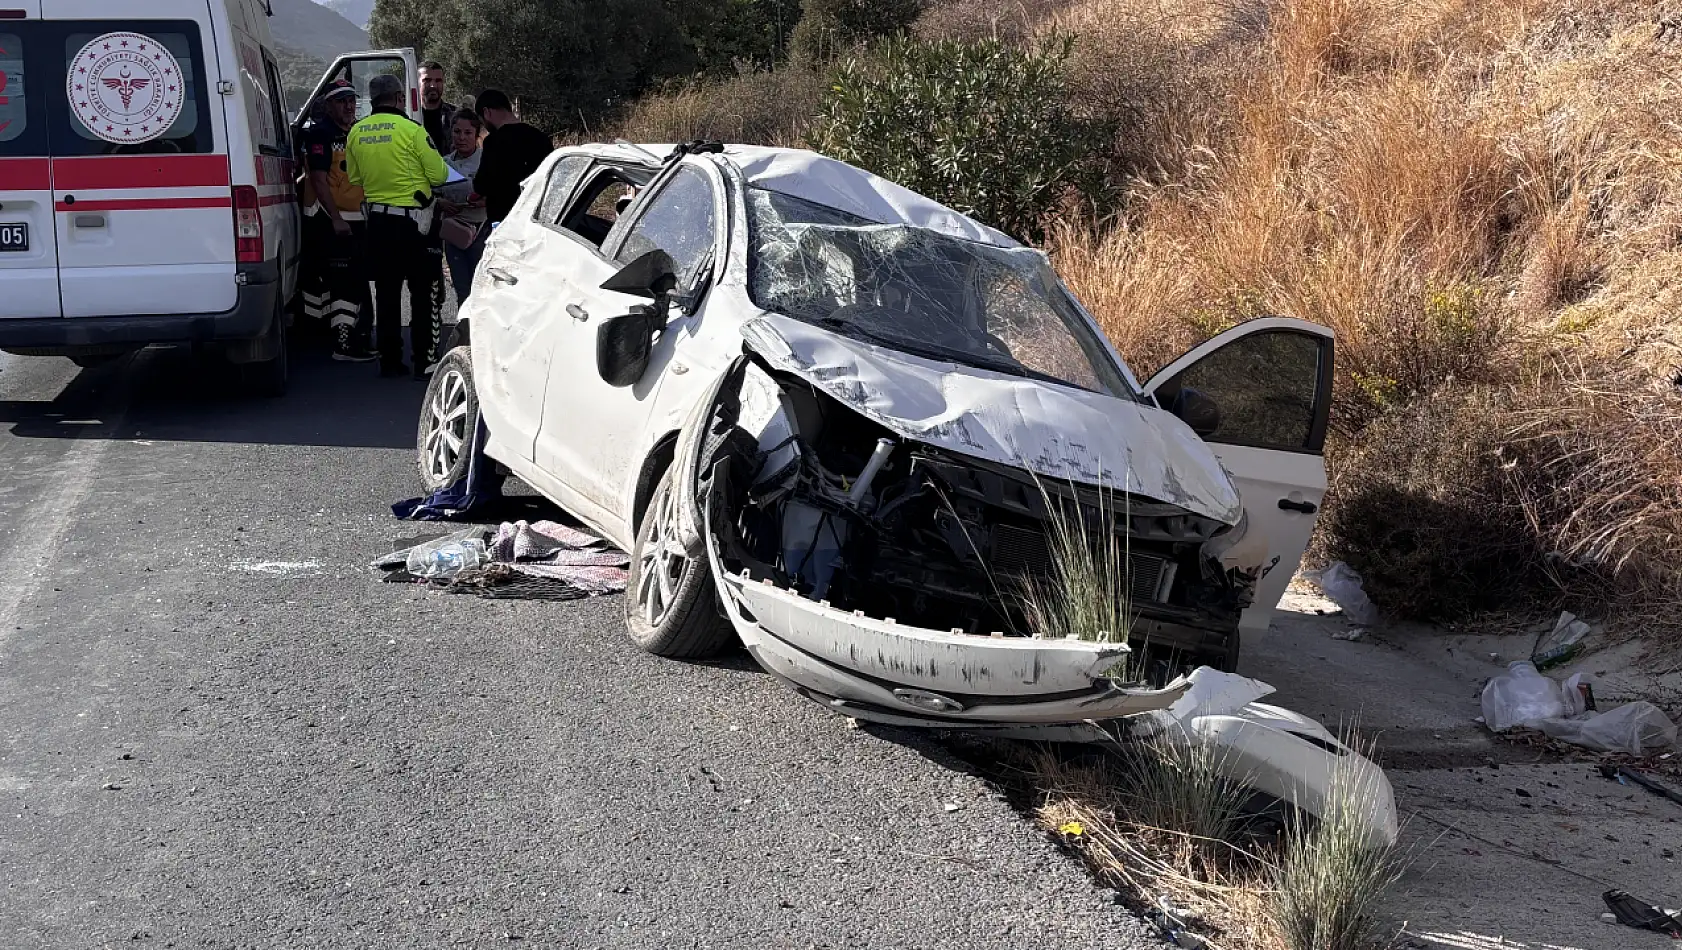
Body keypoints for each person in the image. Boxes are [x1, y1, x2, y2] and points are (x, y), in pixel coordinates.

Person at [346, 73, 450, 379]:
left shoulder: (356, 133)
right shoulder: (412, 130)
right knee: (423, 292)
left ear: (373, 99)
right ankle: (425, 360)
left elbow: (355, 178)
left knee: (387, 293)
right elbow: (440, 175)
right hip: (415, 224)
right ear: (399, 98)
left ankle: (390, 361)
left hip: (377, 222)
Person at [300, 80, 375, 361]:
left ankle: (351, 335)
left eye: (351, 100)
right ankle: (342, 344)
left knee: (352, 279)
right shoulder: (320, 134)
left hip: (356, 218)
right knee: (343, 281)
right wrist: (335, 218)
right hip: (331, 220)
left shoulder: (357, 131)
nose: (348, 106)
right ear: (328, 105)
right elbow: (318, 180)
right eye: (341, 101)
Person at [472, 89, 554, 226]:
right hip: (537, 220)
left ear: (487, 112)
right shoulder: (540, 138)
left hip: (506, 222)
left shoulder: (493, 142)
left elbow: (482, 184)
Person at [437, 110, 489, 305]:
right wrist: (440, 203)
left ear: (476, 135)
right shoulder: (444, 164)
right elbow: (430, 193)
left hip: (484, 232)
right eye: (457, 132)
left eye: (467, 133)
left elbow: (506, 194)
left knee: (482, 293)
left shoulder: (488, 161)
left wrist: (486, 201)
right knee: (462, 291)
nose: (461, 138)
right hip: (455, 236)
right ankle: (464, 333)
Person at [418, 61, 456, 158]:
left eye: (438, 80)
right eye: (427, 80)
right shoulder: (408, 116)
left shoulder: (455, 115)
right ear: (417, 82)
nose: (433, 85)